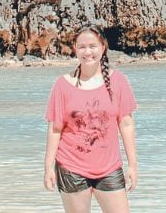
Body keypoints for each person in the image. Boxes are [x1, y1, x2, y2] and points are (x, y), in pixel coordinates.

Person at [44, 25, 138, 213]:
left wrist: (133, 165)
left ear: (103, 47)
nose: (88, 52)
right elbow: (55, 128)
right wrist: (48, 167)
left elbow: (126, 124)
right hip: (71, 167)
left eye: (93, 46)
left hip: (109, 168)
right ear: (75, 49)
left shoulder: (118, 81)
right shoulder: (62, 85)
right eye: (82, 47)